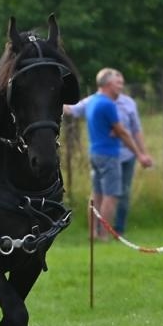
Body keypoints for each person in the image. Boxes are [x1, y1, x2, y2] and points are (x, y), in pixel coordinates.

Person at [67, 69, 152, 233]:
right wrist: (140, 154)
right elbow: (123, 132)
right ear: (107, 84)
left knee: (96, 195)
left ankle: (93, 234)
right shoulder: (107, 104)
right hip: (109, 154)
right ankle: (104, 234)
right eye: (116, 83)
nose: (120, 87)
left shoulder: (93, 101)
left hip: (95, 152)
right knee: (110, 196)